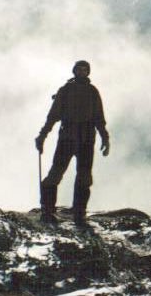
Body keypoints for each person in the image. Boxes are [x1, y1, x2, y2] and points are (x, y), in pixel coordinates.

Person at [35, 60, 110, 225]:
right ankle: (48, 210)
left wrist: (105, 137)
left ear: (88, 72)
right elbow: (53, 116)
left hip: (84, 140)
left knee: (84, 177)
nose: (82, 72)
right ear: (74, 71)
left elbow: (99, 118)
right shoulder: (66, 91)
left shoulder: (91, 92)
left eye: (85, 70)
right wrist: (42, 136)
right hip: (70, 139)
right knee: (56, 174)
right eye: (79, 69)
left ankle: (79, 213)